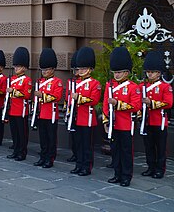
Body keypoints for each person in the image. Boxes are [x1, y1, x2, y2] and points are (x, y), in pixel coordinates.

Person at [103, 46, 141, 187]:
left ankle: (126, 176)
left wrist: (118, 104)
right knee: (115, 150)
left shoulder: (133, 87)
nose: (116, 75)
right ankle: (117, 174)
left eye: (119, 72)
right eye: (115, 72)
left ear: (126, 72)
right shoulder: (109, 86)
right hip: (114, 124)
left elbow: (135, 106)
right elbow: (106, 103)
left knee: (126, 152)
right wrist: (106, 120)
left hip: (125, 125)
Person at [140, 50, 173, 179]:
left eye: (152, 72)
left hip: (159, 121)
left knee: (160, 148)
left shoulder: (165, 86)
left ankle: (160, 169)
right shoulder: (143, 86)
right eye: (148, 72)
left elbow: (168, 103)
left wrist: (152, 103)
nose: (150, 74)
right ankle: (151, 167)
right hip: (147, 121)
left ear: (159, 73)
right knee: (148, 146)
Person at [70, 47, 102, 176]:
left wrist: (79, 98)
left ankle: (86, 166)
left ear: (90, 69)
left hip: (87, 118)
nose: (81, 71)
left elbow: (94, 100)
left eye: (84, 68)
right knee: (77, 143)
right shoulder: (74, 83)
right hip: (77, 117)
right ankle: (78, 164)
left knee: (86, 145)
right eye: (80, 69)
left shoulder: (95, 83)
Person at [33, 48, 63, 169]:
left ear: (52, 69)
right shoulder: (39, 82)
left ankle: (50, 158)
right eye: (43, 69)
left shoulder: (57, 82)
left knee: (51, 139)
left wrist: (42, 96)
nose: (44, 72)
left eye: (46, 69)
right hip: (41, 114)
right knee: (43, 138)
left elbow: (56, 97)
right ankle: (43, 156)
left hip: (51, 114)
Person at [6, 47, 32, 161]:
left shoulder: (27, 80)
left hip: (21, 110)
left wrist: (14, 92)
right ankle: (16, 150)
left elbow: (26, 95)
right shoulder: (12, 79)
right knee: (15, 133)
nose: (16, 68)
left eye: (19, 66)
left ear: (24, 68)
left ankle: (22, 152)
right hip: (13, 109)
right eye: (16, 66)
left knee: (22, 134)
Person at [65, 51, 79, 163]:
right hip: (72, 112)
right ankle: (75, 153)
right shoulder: (71, 81)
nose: (76, 72)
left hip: (81, 114)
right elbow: (67, 97)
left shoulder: (87, 83)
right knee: (73, 136)